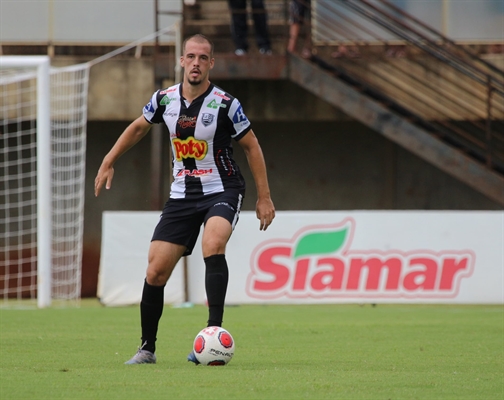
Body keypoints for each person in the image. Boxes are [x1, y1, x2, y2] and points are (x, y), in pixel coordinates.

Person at [94, 34, 276, 364]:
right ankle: (147, 348)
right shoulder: (164, 100)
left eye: (202, 58)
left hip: (223, 189)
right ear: (181, 61)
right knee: (155, 271)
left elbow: (252, 146)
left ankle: (212, 338)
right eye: (190, 56)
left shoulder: (225, 104)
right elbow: (138, 127)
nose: (195, 63)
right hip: (182, 196)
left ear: (211, 64)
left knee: (213, 243)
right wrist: (109, 160)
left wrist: (264, 197)